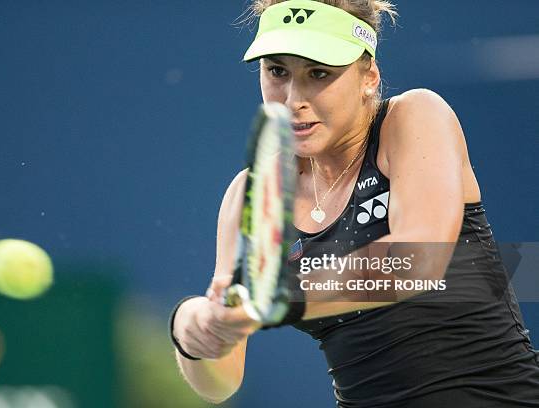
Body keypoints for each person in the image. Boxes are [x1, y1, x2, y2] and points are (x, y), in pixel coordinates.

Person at [168, 0, 539, 406]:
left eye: (319, 74)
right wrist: (193, 328)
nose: (293, 99)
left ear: (369, 77)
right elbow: (222, 383)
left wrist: (282, 296)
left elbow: (418, 259)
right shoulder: (250, 194)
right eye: (277, 71)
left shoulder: (415, 116)